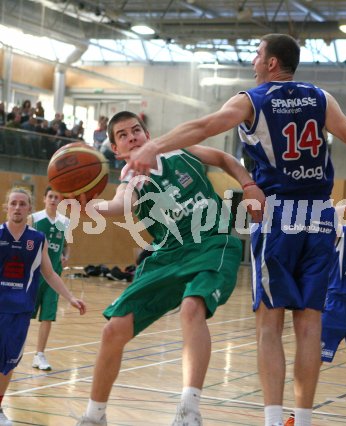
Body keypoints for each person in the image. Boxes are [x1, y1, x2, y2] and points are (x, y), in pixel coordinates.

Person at [121, 34, 346, 426]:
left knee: (270, 321)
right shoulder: (321, 98)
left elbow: (204, 125)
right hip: (319, 216)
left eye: (257, 53)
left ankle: (271, 420)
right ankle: (301, 420)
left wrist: (154, 146)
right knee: (309, 322)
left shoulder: (253, 100)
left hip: (278, 214)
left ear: (271, 63)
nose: (253, 60)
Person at [74, 111, 265, 426]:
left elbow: (223, 158)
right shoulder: (130, 177)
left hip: (212, 242)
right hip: (168, 252)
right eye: (123, 135)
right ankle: (94, 417)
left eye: (137, 130)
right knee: (113, 331)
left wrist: (248, 183)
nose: (132, 136)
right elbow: (122, 205)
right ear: (116, 149)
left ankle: (189, 412)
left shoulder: (178, 150)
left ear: (148, 136)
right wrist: (91, 207)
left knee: (192, 308)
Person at [286, 195, 346, 426]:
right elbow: (331, 212)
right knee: (314, 361)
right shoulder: (339, 233)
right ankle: (296, 413)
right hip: (334, 306)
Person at [0, 187, 86, 426]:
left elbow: (49, 273)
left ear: (29, 209)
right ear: (7, 207)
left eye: (22, 204)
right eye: (13, 203)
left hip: (20, 309)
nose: (17, 208)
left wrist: (70, 297)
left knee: (9, 362)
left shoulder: (37, 239)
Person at [29, 187, 70, 371]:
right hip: (33, 276)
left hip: (54, 277)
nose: (53, 200)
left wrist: (65, 255)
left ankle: (39, 355)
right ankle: (12, 350)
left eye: (57, 197)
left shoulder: (65, 222)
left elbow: (67, 244)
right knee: (23, 316)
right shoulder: (35, 219)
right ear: (44, 198)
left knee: (47, 317)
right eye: (50, 196)